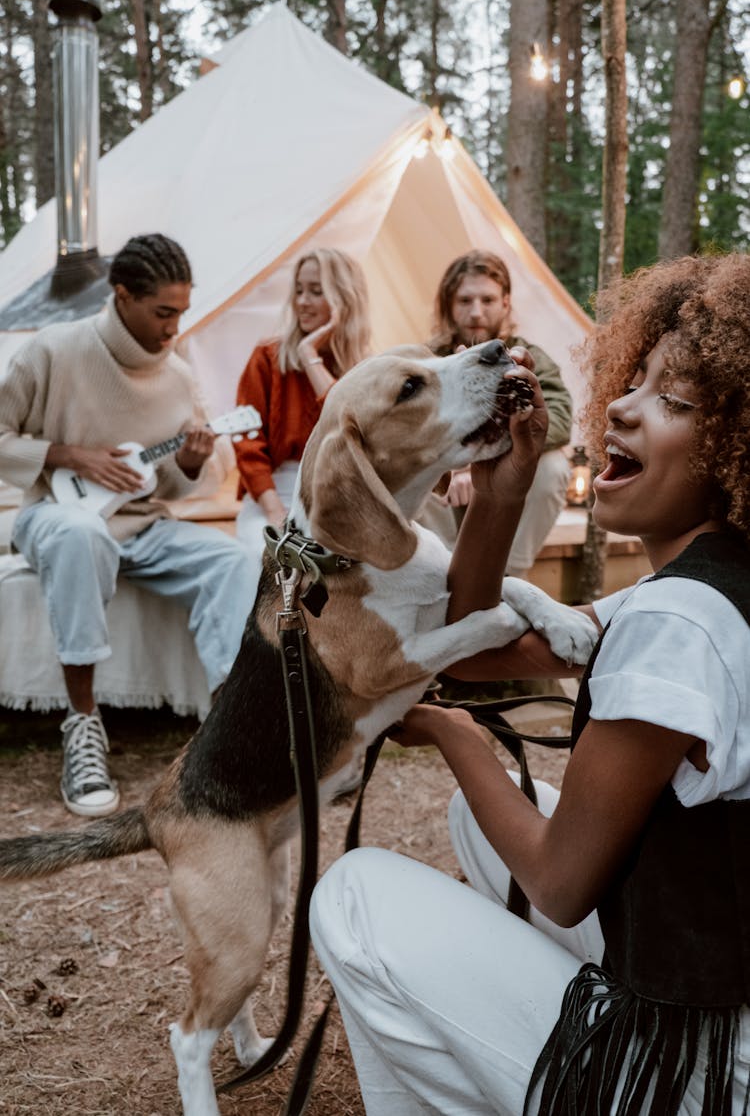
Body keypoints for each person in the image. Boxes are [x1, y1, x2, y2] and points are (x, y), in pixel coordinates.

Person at [310, 252, 750, 1114]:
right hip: (711, 965)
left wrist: (453, 735)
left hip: (696, 1063)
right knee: (473, 821)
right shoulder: (702, 587)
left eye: (674, 400)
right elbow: (473, 653)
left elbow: (558, 881)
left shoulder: (677, 626)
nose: (619, 404)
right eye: (636, 382)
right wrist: (501, 493)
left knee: (354, 893)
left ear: (734, 446)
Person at [0, 233, 256, 820]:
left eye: (181, 314)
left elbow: (167, 484)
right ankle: (83, 725)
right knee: (78, 533)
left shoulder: (179, 375)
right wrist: (68, 455)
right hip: (55, 517)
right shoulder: (53, 350)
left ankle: (230, 732)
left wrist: (190, 461)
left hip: (142, 525)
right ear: (122, 295)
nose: (173, 330)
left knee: (236, 560)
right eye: (163, 313)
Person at [422, 249, 573, 576]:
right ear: (450, 305)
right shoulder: (430, 359)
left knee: (554, 467)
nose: (476, 312)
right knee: (420, 468)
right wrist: (456, 465)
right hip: (449, 490)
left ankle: (507, 580)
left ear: (505, 303)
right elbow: (414, 426)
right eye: (465, 300)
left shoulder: (530, 356)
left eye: (487, 300)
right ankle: (444, 577)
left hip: (508, 477)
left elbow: (559, 420)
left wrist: (484, 453)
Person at [232, 247, 371, 597]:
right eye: (299, 290)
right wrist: (275, 513)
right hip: (273, 495)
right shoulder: (266, 359)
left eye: (317, 290)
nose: (303, 301)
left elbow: (349, 425)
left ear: (344, 299)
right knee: (259, 559)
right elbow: (247, 446)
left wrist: (311, 356)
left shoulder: (365, 369)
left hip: (336, 495)